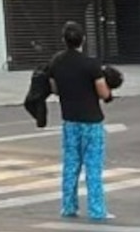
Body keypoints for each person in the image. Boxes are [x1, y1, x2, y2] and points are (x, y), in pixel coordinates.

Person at [48, 21, 113, 221]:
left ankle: (68, 206)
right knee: (93, 166)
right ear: (83, 40)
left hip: (70, 120)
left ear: (63, 40)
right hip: (92, 121)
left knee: (71, 164)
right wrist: (109, 94)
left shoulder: (56, 62)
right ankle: (96, 210)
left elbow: (54, 88)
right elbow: (103, 92)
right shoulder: (91, 64)